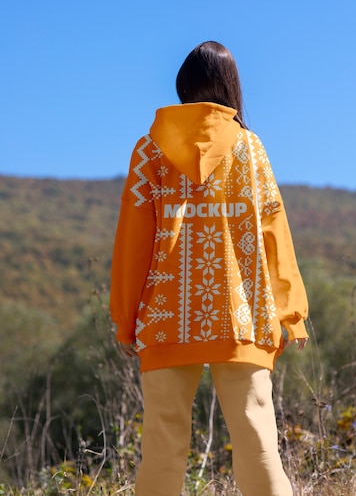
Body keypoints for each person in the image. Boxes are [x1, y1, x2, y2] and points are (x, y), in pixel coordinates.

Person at [110, 41, 309, 496]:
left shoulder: (148, 150)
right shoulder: (250, 148)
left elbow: (133, 241)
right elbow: (273, 231)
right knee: (258, 441)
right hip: (242, 315)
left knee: (162, 445)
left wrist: (126, 319)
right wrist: (289, 312)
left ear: (183, 86)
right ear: (232, 87)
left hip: (165, 317)